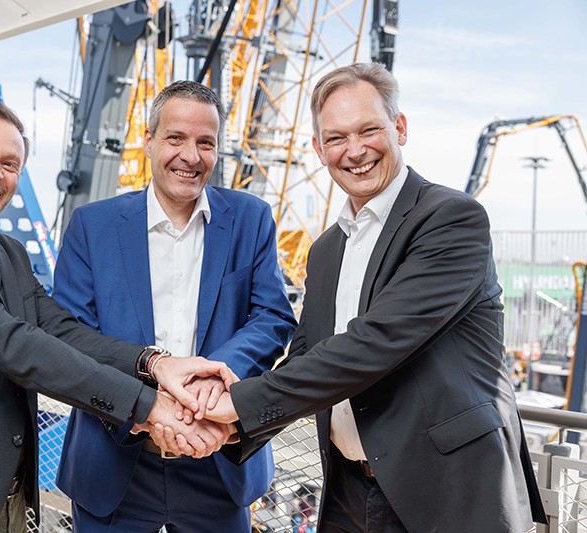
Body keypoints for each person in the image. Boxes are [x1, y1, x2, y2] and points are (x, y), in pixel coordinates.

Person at [202, 63, 547, 532]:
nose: (355, 150)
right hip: (349, 491)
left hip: (448, 491)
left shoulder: (451, 218)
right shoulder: (326, 249)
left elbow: (376, 343)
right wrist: (230, 427)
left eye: (369, 130)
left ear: (399, 128)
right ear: (319, 150)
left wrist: (237, 403)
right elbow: (307, 352)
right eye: (337, 138)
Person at [0, 99, 234, 533]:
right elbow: (15, 345)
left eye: (10, 163)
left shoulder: (8, 253)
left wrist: (156, 364)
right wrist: (148, 406)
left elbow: (61, 332)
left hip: (8, 497)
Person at [53, 80, 296, 532]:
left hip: (218, 459)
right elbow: (69, 335)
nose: (191, 156)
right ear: (148, 141)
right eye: (176, 138)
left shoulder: (251, 218)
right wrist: (147, 406)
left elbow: (273, 315)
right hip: (115, 458)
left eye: (206, 142)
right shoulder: (92, 225)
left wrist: (212, 376)